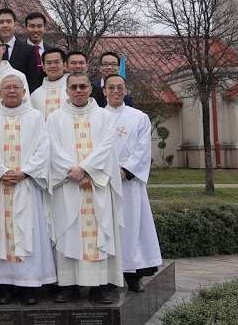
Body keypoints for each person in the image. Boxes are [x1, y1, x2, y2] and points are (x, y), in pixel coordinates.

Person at [46, 72, 125, 304]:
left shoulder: (104, 116)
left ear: (91, 89)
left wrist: (87, 169)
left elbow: (106, 146)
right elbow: (52, 148)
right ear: (67, 90)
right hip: (68, 184)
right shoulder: (55, 118)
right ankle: (68, 285)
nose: (78, 90)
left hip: (96, 184)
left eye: (83, 86)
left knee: (100, 232)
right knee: (67, 232)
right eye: (74, 87)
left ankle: (100, 286)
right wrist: (74, 171)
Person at [0, 75, 55, 305]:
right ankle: (3, 285)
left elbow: (44, 148)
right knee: (1, 233)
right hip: (0, 185)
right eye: (7, 87)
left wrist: (25, 171)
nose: (12, 91)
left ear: (25, 92)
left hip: (27, 184)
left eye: (16, 87)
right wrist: (2, 170)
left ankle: (29, 285)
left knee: (29, 232)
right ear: (0, 93)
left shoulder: (36, 117)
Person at [103, 75, 163, 293]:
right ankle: (108, 276)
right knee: (107, 228)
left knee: (132, 227)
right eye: (111, 88)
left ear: (126, 90)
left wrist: (125, 170)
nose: (116, 91)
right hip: (104, 183)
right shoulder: (97, 116)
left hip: (129, 182)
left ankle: (133, 275)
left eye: (120, 88)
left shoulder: (139, 117)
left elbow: (143, 148)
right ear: (104, 91)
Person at [0, 8, 40, 83]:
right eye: (1, 22)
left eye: (9, 22)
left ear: (15, 25)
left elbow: (33, 81)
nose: (5, 25)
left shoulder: (29, 50)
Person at [30, 48, 68, 120]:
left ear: (64, 65)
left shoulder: (74, 90)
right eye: (49, 63)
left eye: (56, 62)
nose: (53, 66)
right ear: (43, 67)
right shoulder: (35, 94)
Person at [23, 12, 54, 93]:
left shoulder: (53, 52)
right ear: (26, 28)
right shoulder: (18, 50)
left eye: (39, 26)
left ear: (45, 28)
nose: (36, 30)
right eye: (32, 26)